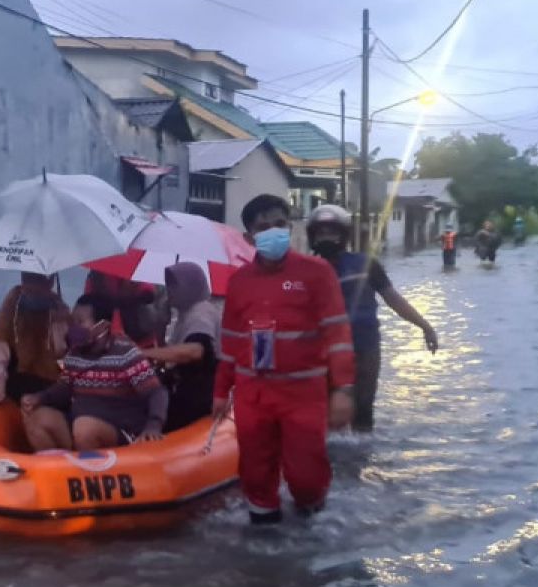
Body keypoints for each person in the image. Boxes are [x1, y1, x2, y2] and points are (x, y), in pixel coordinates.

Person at [215, 194, 355, 524]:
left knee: (307, 476)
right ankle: (264, 550)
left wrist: (343, 390)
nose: (273, 232)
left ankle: (311, 529)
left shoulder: (317, 273)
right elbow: (230, 344)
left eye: (279, 224)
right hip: (253, 394)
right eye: (263, 227)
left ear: (290, 228)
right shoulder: (239, 282)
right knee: (255, 474)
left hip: (303, 393)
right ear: (249, 237)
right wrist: (221, 393)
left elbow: (338, 335)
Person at [307, 205, 439, 433]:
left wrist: (425, 326)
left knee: (363, 411)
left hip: (364, 348)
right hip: (322, 352)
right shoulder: (304, 270)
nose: (327, 237)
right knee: (324, 414)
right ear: (313, 237)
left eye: (332, 232)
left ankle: (361, 462)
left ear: (344, 235)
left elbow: (393, 299)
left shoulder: (367, 264)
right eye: (321, 233)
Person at [22, 293, 168, 450]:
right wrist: (39, 398)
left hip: (119, 430)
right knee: (37, 418)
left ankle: (92, 466)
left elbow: (156, 392)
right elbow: (63, 389)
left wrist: (154, 424)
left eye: (80, 322)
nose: (74, 328)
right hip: (79, 425)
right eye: (73, 322)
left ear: (103, 326)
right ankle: (63, 468)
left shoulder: (125, 353)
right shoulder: (74, 354)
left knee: (85, 428)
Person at [141, 261, 220, 432]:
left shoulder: (201, 312)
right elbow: (170, 356)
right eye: (168, 285)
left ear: (189, 287)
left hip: (200, 397)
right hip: (185, 390)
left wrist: (144, 353)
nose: (169, 291)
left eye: (174, 286)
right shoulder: (184, 314)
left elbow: (195, 351)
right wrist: (160, 327)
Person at [0, 272, 70, 405]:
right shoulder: (14, 299)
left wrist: (59, 320)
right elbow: (0, 341)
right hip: (17, 374)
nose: (32, 288)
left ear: (50, 282)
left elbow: (61, 351)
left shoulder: (58, 307)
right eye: (28, 281)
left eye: (37, 284)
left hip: (47, 379)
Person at [84, 271, 165, 348]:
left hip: (140, 343)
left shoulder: (141, 273)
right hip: (104, 343)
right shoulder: (95, 277)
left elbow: (149, 295)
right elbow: (87, 307)